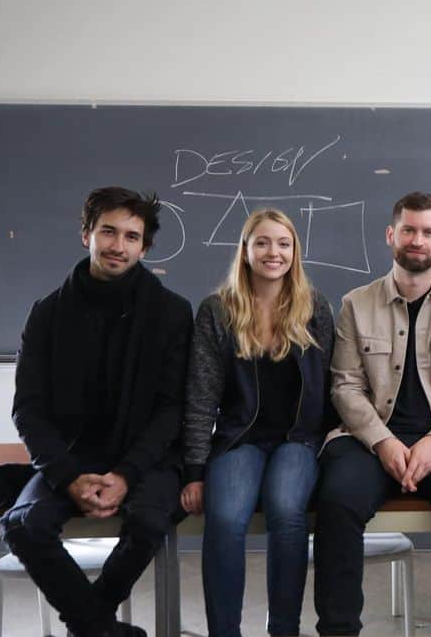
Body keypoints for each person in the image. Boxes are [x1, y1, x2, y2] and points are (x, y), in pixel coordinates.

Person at [0, 187, 192, 637]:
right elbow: (28, 409)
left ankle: (89, 627)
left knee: (148, 520)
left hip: (147, 459)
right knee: (24, 526)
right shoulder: (46, 314)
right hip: (71, 457)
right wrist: (67, 475)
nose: (118, 245)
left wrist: (125, 473)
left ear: (145, 246)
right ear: (86, 234)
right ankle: (103, 630)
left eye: (131, 236)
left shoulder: (172, 313)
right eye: (108, 231)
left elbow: (171, 409)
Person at [313, 192, 431, 636]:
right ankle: (338, 630)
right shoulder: (356, 304)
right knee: (337, 501)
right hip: (367, 439)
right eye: (409, 230)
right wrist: (383, 441)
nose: (417, 240)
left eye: (427, 232)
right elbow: (345, 386)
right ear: (391, 235)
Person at [180, 207, 334, 637]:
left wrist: (335, 451)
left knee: (287, 513)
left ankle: (283, 629)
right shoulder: (217, 310)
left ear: (294, 252)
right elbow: (200, 395)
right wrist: (194, 470)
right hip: (238, 441)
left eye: (284, 244)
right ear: (245, 250)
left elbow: (333, 384)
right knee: (226, 518)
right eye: (263, 242)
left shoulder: (314, 306)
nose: (274, 252)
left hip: (298, 442)